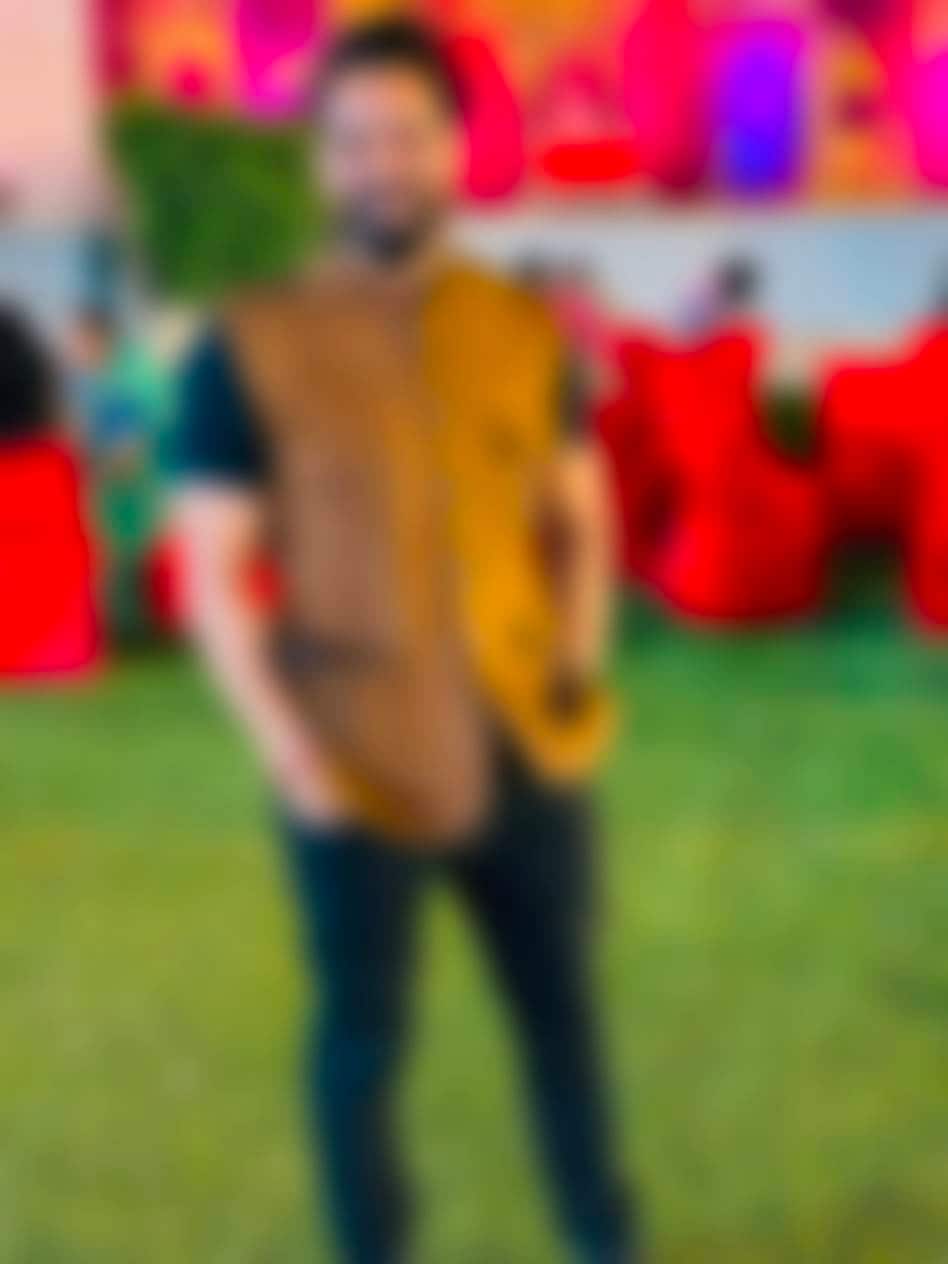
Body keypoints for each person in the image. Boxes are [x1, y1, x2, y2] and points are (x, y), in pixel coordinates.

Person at [174, 18, 637, 1263]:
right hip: (355, 757)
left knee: (565, 1023)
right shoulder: (253, 341)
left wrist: (578, 664)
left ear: (452, 147)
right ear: (322, 159)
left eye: (407, 135)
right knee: (362, 1048)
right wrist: (289, 753)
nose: (383, 162)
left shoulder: (523, 327)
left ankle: (607, 1239)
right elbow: (212, 572)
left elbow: (584, 516)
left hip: (524, 745)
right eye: (355, 140)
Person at [68, 305, 169, 641]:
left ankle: (132, 632)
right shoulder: (119, 375)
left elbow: (131, 447)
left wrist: (90, 473)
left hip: (132, 494)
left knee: (127, 567)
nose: (73, 351)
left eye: (78, 342)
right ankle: (134, 629)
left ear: (97, 338)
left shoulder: (124, 381)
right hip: (134, 493)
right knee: (127, 565)